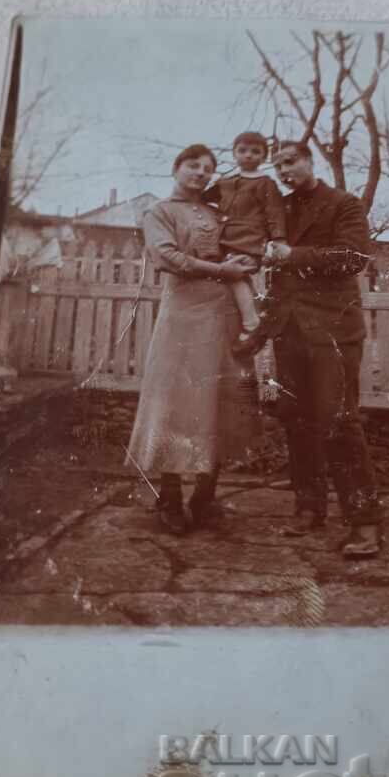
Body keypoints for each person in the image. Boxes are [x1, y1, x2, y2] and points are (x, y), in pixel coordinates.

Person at [125, 144, 257, 533]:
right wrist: (224, 271)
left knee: (218, 401)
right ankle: (168, 500)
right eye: (193, 165)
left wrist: (243, 264)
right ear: (176, 168)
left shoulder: (218, 215)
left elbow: (241, 251)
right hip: (183, 318)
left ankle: (204, 498)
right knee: (176, 403)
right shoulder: (159, 212)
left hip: (223, 318)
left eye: (208, 168)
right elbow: (166, 258)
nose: (201, 172)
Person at [263, 140, 381, 554]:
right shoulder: (280, 210)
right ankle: (309, 507)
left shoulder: (344, 203)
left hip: (333, 331)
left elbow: (352, 257)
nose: (283, 170)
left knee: (339, 422)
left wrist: (292, 255)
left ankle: (364, 522)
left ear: (310, 161)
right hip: (289, 331)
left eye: (290, 161)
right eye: (277, 165)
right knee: (296, 420)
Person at [203, 131, 288, 352]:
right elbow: (200, 199)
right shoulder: (225, 182)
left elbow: (275, 213)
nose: (248, 155)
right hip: (223, 239)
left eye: (255, 152)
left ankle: (252, 324)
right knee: (228, 279)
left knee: (235, 277)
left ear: (263, 157)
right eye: (242, 150)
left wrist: (278, 239)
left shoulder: (265, 184)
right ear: (234, 153)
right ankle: (247, 320)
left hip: (248, 241)